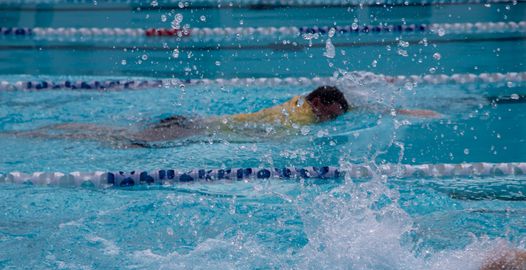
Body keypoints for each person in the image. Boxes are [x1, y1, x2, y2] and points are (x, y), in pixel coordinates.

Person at [6, 86, 437, 148]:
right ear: (322, 107)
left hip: (195, 119)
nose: (331, 122)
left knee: (115, 134)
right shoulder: (301, 122)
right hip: (189, 130)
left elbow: (354, 105)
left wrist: (403, 110)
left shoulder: (300, 102)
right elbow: (273, 141)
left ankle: (46, 130)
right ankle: (34, 136)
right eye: (332, 117)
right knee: (115, 139)